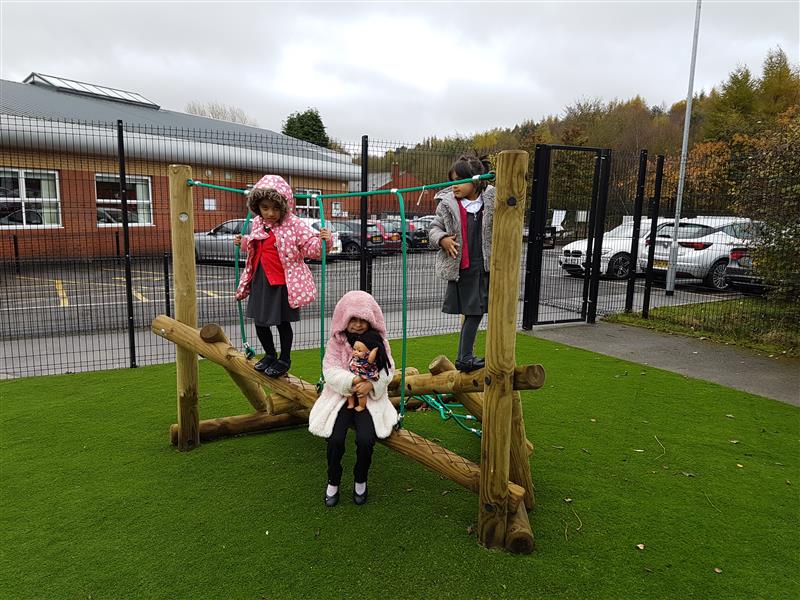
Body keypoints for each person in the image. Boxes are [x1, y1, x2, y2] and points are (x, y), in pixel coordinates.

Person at [234, 174, 331, 377]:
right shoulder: (257, 223)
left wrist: (324, 241)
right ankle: (270, 354)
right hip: (260, 278)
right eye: (265, 207)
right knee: (259, 321)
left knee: (281, 322)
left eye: (276, 208)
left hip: (282, 282)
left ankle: (284, 359)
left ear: (284, 207)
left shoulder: (294, 224)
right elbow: (256, 244)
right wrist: (243, 242)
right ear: (257, 206)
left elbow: (311, 248)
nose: (270, 213)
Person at [308, 291, 398, 507]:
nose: (357, 325)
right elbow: (329, 370)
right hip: (340, 397)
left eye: (363, 320)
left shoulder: (379, 343)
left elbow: (388, 370)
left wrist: (372, 384)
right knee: (335, 438)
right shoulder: (337, 342)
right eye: (353, 320)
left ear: (371, 320)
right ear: (344, 319)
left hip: (369, 399)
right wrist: (354, 380)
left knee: (366, 439)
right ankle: (333, 480)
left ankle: (361, 478)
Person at [428, 153, 495, 372]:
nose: (454, 185)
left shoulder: (490, 201)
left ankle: (466, 357)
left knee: (479, 310)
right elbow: (434, 228)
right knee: (474, 312)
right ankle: (464, 358)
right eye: (452, 180)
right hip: (463, 267)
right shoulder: (448, 205)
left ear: (476, 180)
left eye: (460, 180)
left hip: (485, 266)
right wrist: (443, 239)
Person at [347, 328, 387, 412]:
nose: (356, 352)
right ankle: (351, 403)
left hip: (364, 375)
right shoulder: (355, 357)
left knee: (361, 393)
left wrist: (374, 350)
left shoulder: (367, 359)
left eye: (359, 350)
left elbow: (371, 359)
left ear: (367, 352)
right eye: (354, 349)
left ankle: (362, 405)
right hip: (355, 374)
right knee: (348, 390)